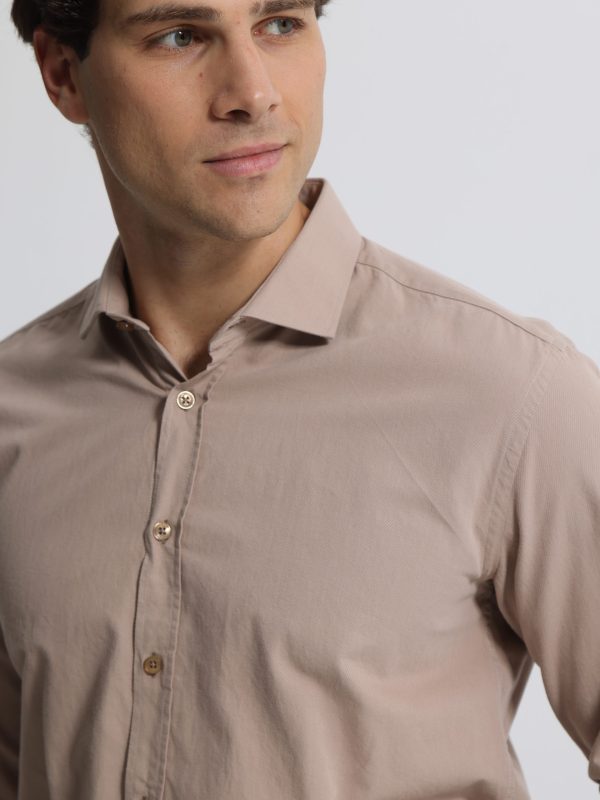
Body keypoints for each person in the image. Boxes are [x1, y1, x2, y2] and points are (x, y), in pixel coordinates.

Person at [1, 1, 599, 798]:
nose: (253, 93)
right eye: (179, 36)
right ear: (63, 74)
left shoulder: (515, 393)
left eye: (280, 23)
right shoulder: (13, 410)